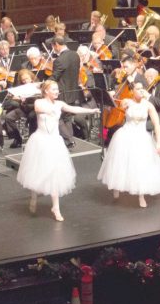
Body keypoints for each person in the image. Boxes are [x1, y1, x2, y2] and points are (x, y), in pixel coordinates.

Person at [17, 80, 100, 221]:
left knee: (54, 172)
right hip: (40, 141)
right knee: (37, 171)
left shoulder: (59, 104)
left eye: (57, 90)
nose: (57, 92)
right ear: (46, 91)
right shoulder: (39, 102)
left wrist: (91, 110)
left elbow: (75, 109)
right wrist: (52, 108)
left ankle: (55, 207)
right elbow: (39, 110)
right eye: (54, 89)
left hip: (54, 141)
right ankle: (34, 197)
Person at [97, 82, 160, 208]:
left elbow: (157, 125)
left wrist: (158, 143)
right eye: (138, 89)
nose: (141, 91)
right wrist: (112, 97)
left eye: (142, 89)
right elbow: (113, 108)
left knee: (140, 165)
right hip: (125, 135)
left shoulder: (148, 105)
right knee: (121, 162)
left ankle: (141, 195)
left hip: (141, 137)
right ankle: (116, 186)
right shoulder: (126, 102)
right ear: (132, 91)